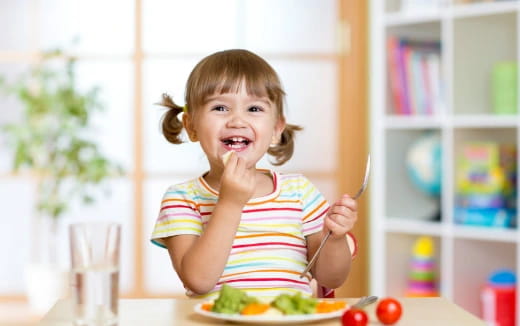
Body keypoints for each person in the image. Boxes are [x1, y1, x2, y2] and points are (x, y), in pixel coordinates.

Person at [150, 49, 358, 301]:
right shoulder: (182, 199)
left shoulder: (299, 192)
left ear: (275, 129)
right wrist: (230, 202)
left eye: (255, 109)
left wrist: (335, 239)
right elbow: (198, 280)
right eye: (220, 107)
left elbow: (330, 278)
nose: (237, 120)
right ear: (191, 126)